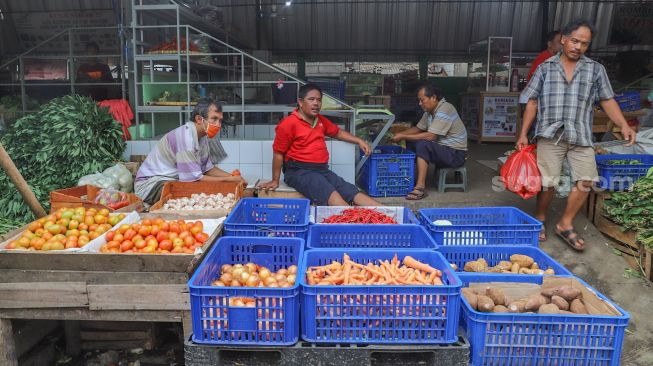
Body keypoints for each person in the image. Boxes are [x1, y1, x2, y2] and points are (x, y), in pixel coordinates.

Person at [517, 19, 636, 251]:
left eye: (584, 43)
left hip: (580, 134)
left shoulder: (595, 69)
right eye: (574, 41)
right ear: (563, 39)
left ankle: (565, 223)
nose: (578, 47)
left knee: (587, 180)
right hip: (550, 134)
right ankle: (540, 217)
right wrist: (523, 133)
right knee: (548, 182)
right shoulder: (545, 68)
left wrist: (623, 125)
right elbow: (531, 101)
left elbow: (607, 99)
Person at [257, 84, 381, 206]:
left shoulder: (320, 120)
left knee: (351, 191)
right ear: (300, 102)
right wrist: (275, 180)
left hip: (322, 170)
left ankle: (390, 214)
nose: (316, 103)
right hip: (299, 172)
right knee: (335, 197)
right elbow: (278, 153)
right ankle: (355, 224)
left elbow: (338, 132)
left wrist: (359, 141)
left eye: (319, 100)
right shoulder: (288, 124)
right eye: (311, 99)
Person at [135, 98, 247, 205]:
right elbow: (194, 180)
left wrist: (234, 179)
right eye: (214, 119)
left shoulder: (202, 137)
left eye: (220, 120)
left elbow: (208, 169)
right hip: (149, 186)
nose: (218, 125)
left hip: (168, 180)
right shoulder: (186, 138)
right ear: (199, 119)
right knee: (195, 191)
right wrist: (229, 180)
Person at [391, 84, 468, 200]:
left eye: (422, 100)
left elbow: (431, 136)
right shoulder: (429, 112)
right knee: (412, 143)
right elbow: (418, 129)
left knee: (423, 144)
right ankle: (409, 178)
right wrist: (401, 135)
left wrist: (402, 135)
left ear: (433, 97)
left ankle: (420, 187)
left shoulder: (445, 109)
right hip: (444, 149)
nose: (420, 103)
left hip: (456, 154)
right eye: (419, 100)